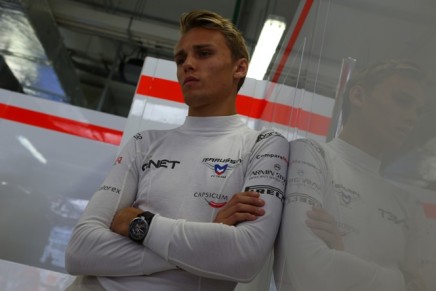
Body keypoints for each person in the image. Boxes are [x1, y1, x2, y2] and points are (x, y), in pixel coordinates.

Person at [65, 9, 289, 291]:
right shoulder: (144, 143)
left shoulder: (264, 145)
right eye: (181, 58)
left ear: (239, 68)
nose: (188, 65)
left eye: (204, 53)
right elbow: (80, 250)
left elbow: (242, 258)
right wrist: (209, 240)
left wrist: (139, 224)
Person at [274, 59, 427, 291]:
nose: (411, 118)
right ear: (358, 97)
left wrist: (341, 251)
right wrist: (400, 281)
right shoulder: (312, 155)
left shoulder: (408, 204)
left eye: (418, 111)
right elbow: (307, 269)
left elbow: (424, 286)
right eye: (402, 101)